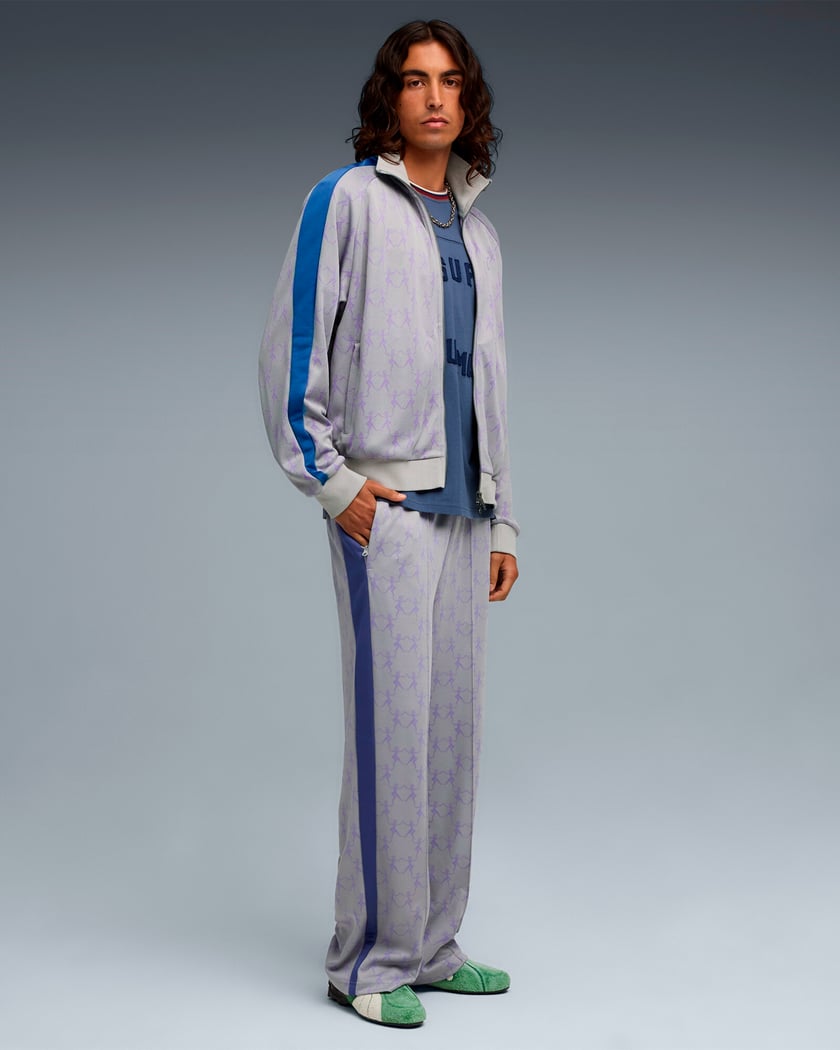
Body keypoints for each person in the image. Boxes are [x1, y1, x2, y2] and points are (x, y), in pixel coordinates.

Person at [258, 19, 519, 1030]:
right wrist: (335, 486)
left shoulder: (481, 234)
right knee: (390, 736)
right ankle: (367, 961)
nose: (435, 97)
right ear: (390, 99)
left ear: (469, 101)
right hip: (387, 513)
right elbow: (292, 355)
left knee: (452, 736)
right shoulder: (346, 201)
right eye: (415, 81)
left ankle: (435, 946)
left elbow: (492, 385)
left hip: (466, 513)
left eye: (451, 81)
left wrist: (504, 517)